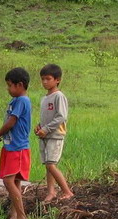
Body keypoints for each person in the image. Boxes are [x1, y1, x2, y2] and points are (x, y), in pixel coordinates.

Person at [0, 67, 32, 219]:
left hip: (18, 148)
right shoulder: (16, 100)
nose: (8, 89)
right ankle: (14, 215)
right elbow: (11, 126)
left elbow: (11, 123)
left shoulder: (22, 101)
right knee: (15, 181)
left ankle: (22, 218)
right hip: (11, 146)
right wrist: (0, 138)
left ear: (20, 85)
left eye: (10, 85)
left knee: (8, 180)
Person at [35, 63, 73, 203]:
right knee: (47, 164)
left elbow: (61, 116)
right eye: (43, 79)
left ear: (57, 80)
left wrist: (47, 129)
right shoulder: (44, 98)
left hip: (55, 135)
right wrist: (39, 127)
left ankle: (67, 191)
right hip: (45, 135)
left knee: (51, 164)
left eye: (48, 79)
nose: (45, 82)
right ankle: (51, 191)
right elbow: (45, 117)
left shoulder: (59, 96)